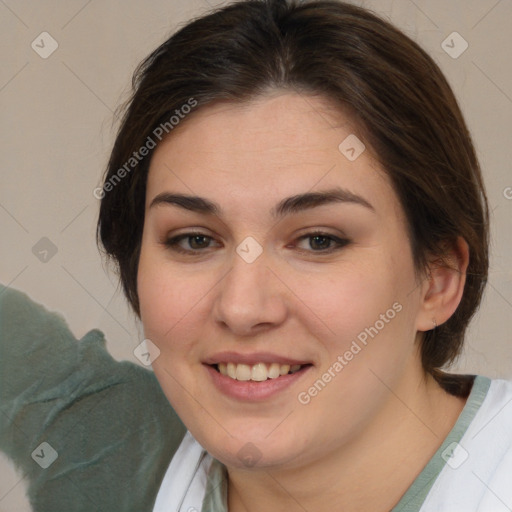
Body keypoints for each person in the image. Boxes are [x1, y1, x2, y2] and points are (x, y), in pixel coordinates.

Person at [1, 0, 511, 511]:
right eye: (194, 240)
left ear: (439, 278)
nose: (242, 308)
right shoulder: (109, 460)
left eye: (318, 240)